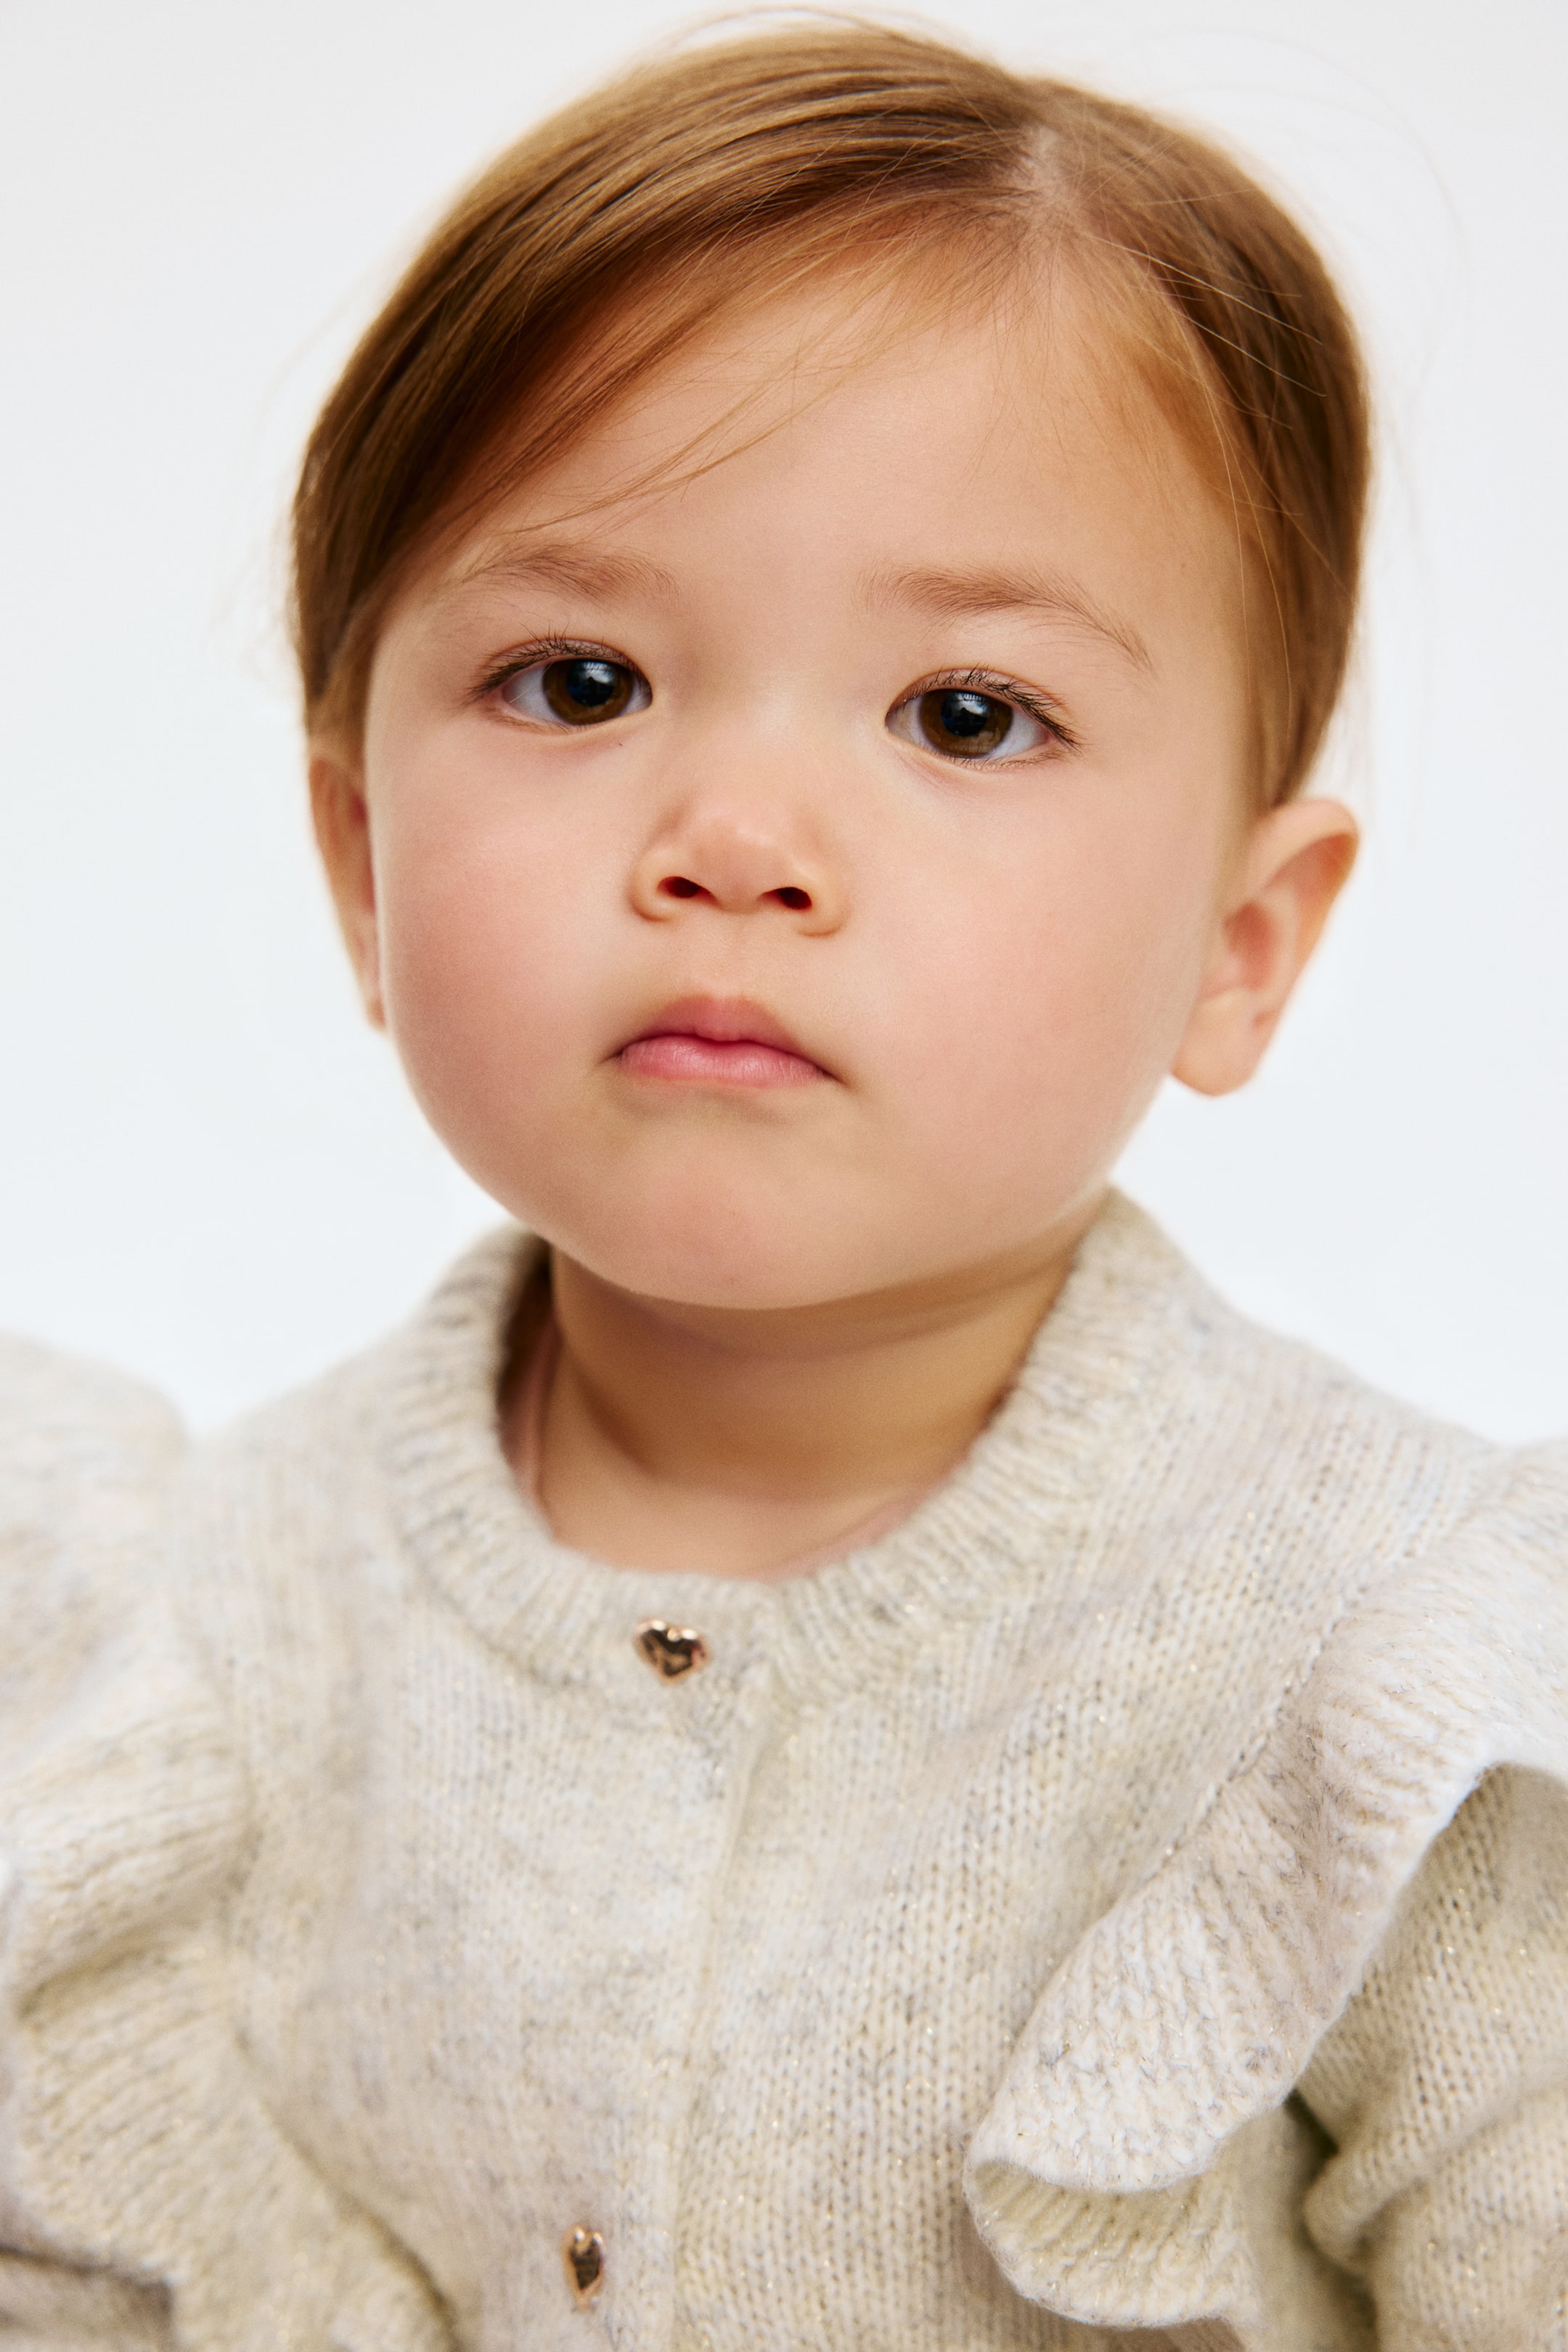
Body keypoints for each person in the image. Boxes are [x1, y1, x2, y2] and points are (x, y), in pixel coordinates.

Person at [2, 22, 1564, 2348]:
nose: (734, 843)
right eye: (579, 681)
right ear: (361, 862)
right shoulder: (192, 1636)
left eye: (965, 715)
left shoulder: (1385, 1667)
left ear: (1240, 947)